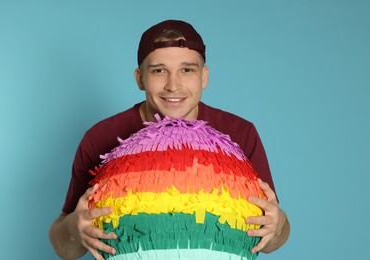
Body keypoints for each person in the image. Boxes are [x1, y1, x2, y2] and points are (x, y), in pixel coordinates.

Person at [49, 19, 290, 260]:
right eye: (159, 70)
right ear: (140, 78)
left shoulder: (239, 133)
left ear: (204, 76)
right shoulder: (100, 137)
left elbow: (270, 240)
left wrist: (278, 226)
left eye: (187, 70)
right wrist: (73, 228)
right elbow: (65, 250)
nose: (173, 86)